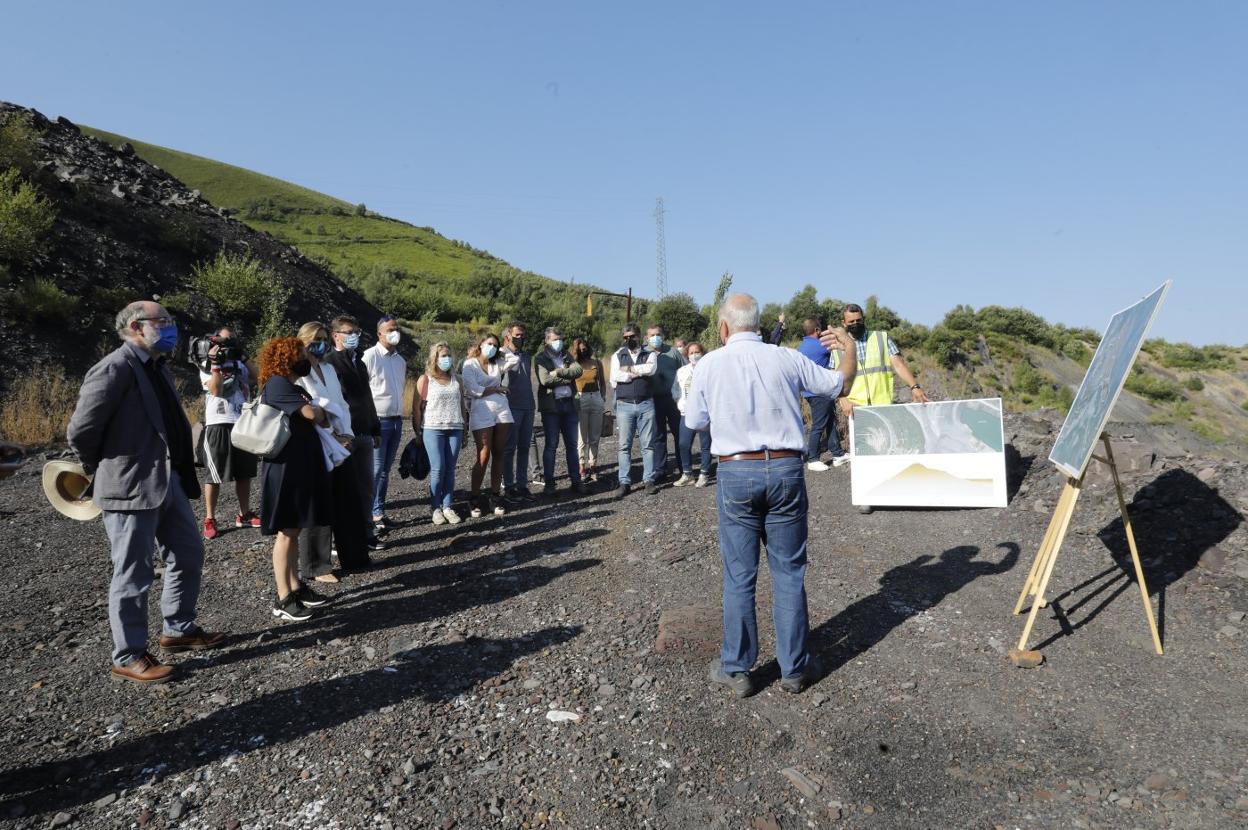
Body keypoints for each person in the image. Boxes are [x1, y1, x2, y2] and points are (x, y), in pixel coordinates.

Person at [684, 294, 856, 698]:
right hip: (784, 468)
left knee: (740, 574)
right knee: (789, 572)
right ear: (759, 325)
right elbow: (839, 385)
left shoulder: (709, 364)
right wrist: (848, 351)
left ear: (724, 328)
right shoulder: (787, 357)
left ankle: (737, 667)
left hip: (736, 470)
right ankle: (794, 667)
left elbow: (694, 421)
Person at [67, 300, 226, 684]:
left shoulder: (156, 367)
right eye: (164, 322)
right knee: (133, 572)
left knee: (188, 553)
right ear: (137, 327)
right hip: (129, 485)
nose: (172, 328)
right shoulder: (114, 368)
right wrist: (106, 468)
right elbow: (81, 432)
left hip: (166, 479)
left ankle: (178, 629)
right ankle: (128, 654)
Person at [257, 336, 334, 622]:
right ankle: (283, 597)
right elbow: (312, 414)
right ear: (287, 357)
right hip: (285, 468)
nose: (305, 358)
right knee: (286, 532)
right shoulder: (278, 384)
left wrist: (319, 414)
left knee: (294, 529)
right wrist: (320, 412)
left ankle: (296, 586)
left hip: (299, 466)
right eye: (300, 353)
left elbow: (315, 416)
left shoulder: (291, 386)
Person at [832, 302, 929, 513]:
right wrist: (843, 401)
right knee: (861, 454)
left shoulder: (881, 338)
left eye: (858, 320)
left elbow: (898, 364)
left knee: (889, 449)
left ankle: (893, 493)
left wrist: (914, 386)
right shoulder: (838, 346)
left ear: (863, 319)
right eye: (851, 322)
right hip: (856, 409)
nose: (855, 324)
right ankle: (865, 496)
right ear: (844, 323)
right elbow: (834, 378)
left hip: (883, 406)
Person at [296, 322, 366, 581]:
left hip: (342, 443)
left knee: (348, 498)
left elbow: (340, 405)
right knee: (319, 505)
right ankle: (317, 566)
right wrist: (333, 435)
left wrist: (346, 434)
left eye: (324, 338)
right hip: (316, 444)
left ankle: (354, 555)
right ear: (303, 341)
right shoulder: (299, 373)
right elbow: (308, 411)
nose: (321, 343)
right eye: (315, 339)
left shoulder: (328, 368)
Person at [326, 315, 384, 553]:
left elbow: (366, 398)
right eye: (349, 332)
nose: (354, 336)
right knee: (342, 489)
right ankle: (338, 540)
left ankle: (367, 533)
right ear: (336, 335)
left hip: (362, 432)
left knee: (366, 487)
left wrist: (375, 427)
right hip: (342, 436)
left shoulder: (358, 362)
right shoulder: (329, 362)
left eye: (357, 332)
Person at [196, 326, 259, 539]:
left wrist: (243, 356)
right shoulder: (206, 362)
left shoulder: (240, 362)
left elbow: (259, 376)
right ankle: (210, 518)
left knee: (245, 471)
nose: (228, 344)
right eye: (224, 340)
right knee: (214, 474)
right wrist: (215, 364)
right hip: (219, 421)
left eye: (232, 339)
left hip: (243, 420)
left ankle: (244, 514)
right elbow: (216, 390)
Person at [462, 332, 518, 518]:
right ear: (481, 344)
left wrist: (502, 349)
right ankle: (474, 497)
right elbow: (472, 390)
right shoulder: (470, 364)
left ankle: (495, 495)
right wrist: (495, 388)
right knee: (483, 454)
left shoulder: (497, 362)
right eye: (489, 344)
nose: (492, 347)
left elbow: (514, 359)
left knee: (499, 452)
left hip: (501, 409)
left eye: (495, 345)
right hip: (481, 410)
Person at [362, 314, 407, 534]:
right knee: (376, 469)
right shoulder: (369, 356)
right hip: (378, 420)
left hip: (397, 420)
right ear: (379, 333)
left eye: (396, 328)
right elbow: (363, 390)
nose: (394, 332)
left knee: (385, 470)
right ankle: (371, 514)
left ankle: (379, 510)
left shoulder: (400, 361)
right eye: (389, 329)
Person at [414, 342, 466, 525]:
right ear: (434, 358)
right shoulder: (425, 380)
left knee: (451, 470)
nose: (447, 359)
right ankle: (435, 507)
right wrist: (417, 432)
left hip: (455, 428)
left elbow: (461, 405)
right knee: (438, 469)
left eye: (448, 355)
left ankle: (448, 506)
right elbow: (417, 409)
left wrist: (465, 429)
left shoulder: (457, 379)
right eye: (443, 355)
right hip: (432, 429)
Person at [535, 327, 586, 496]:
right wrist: (566, 378)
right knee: (551, 446)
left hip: (569, 406)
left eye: (560, 339)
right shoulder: (540, 358)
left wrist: (558, 372)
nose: (558, 342)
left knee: (572, 446)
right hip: (552, 408)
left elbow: (578, 371)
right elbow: (544, 380)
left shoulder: (566, 355)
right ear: (546, 341)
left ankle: (576, 481)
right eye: (554, 339)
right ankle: (550, 484)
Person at [609, 323, 659, 498]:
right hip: (624, 405)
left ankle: (649, 480)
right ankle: (624, 482)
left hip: (646, 403)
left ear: (639, 336)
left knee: (648, 445)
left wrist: (628, 370)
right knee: (624, 446)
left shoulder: (650, 353)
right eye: (625, 337)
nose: (628, 339)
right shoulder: (618, 355)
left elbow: (650, 369)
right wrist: (636, 373)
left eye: (632, 336)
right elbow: (615, 377)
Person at [797, 317, 848, 472]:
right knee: (819, 425)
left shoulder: (802, 346)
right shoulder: (820, 345)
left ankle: (838, 454)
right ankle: (812, 458)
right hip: (821, 391)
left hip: (810, 392)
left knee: (830, 421)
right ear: (817, 330)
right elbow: (842, 345)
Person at [500, 321, 539, 503]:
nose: (521, 338)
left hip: (528, 406)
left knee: (524, 447)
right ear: (508, 336)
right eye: (517, 335)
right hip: (510, 406)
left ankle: (522, 485)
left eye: (523, 335)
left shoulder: (526, 356)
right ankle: (508, 486)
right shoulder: (500, 355)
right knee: (509, 449)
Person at [645, 324, 687, 480]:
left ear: (662, 336)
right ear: (646, 338)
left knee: (679, 433)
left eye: (658, 334)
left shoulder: (673, 352)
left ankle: (684, 467)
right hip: (653, 399)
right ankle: (660, 469)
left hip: (672, 399)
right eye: (652, 335)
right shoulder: (644, 353)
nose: (655, 338)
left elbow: (684, 372)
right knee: (658, 435)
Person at [671, 341, 712, 488]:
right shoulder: (682, 371)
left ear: (702, 353)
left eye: (697, 352)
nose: (694, 355)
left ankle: (704, 473)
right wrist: (679, 403)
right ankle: (687, 473)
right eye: (691, 353)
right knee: (683, 444)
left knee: (705, 446)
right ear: (687, 355)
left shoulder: (709, 369)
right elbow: (675, 390)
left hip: (705, 414)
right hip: (686, 414)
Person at [571, 338, 606, 482]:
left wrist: (602, 397)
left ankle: (593, 465)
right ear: (575, 350)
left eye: (585, 348)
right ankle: (581, 466)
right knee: (581, 437)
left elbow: (602, 382)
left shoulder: (596, 363)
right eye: (580, 349)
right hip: (581, 398)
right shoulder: (573, 365)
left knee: (595, 435)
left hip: (596, 397)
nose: (583, 350)